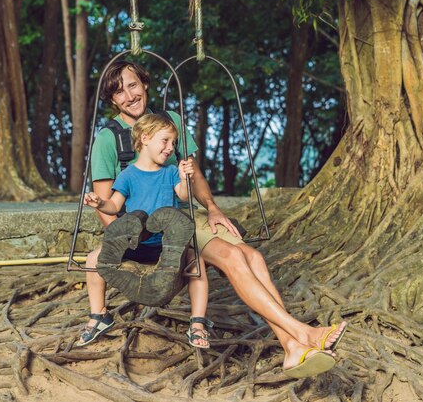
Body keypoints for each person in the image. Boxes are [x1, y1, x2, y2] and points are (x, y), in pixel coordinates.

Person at [83, 59, 347, 378]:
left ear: (145, 84)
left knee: (253, 256)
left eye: (133, 85)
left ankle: (292, 348)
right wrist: (130, 247)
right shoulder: (109, 139)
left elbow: (193, 177)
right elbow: (105, 204)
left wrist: (212, 207)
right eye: (119, 92)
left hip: (184, 215)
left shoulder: (171, 121)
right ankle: (302, 333)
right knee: (233, 256)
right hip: (148, 232)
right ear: (113, 100)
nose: (129, 96)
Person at [82, 113, 210, 349]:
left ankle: (198, 323)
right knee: (93, 260)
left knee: (198, 263)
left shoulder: (170, 172)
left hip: (168, 247)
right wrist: (100, 203)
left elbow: (183, 195)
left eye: (173, 143)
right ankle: (99, 316)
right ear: (146, 138)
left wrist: (185, 179)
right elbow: (114, 205)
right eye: (165, 141)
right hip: (135, 244)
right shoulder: (128, 175)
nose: (170, 148)